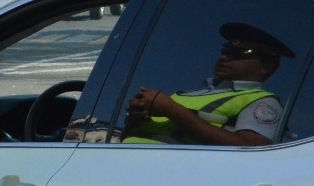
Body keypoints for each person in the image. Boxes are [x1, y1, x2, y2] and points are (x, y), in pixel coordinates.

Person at [123, 22, 293, 146]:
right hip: (124, 174)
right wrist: (136, 118)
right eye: (225, 52)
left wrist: (170, 109)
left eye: (238, 54)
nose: (224, 57)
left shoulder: (262, 102)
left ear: (266, 67)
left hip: (165, 184)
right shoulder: (186, 94)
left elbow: (251, 148)